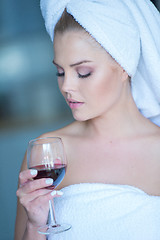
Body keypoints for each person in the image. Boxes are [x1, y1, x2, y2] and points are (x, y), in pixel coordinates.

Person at [15, 0, 160, 239]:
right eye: (60, 72)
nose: (66, 86)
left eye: (83, 72)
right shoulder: (48, 151)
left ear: (124, 66)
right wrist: (34, 224)